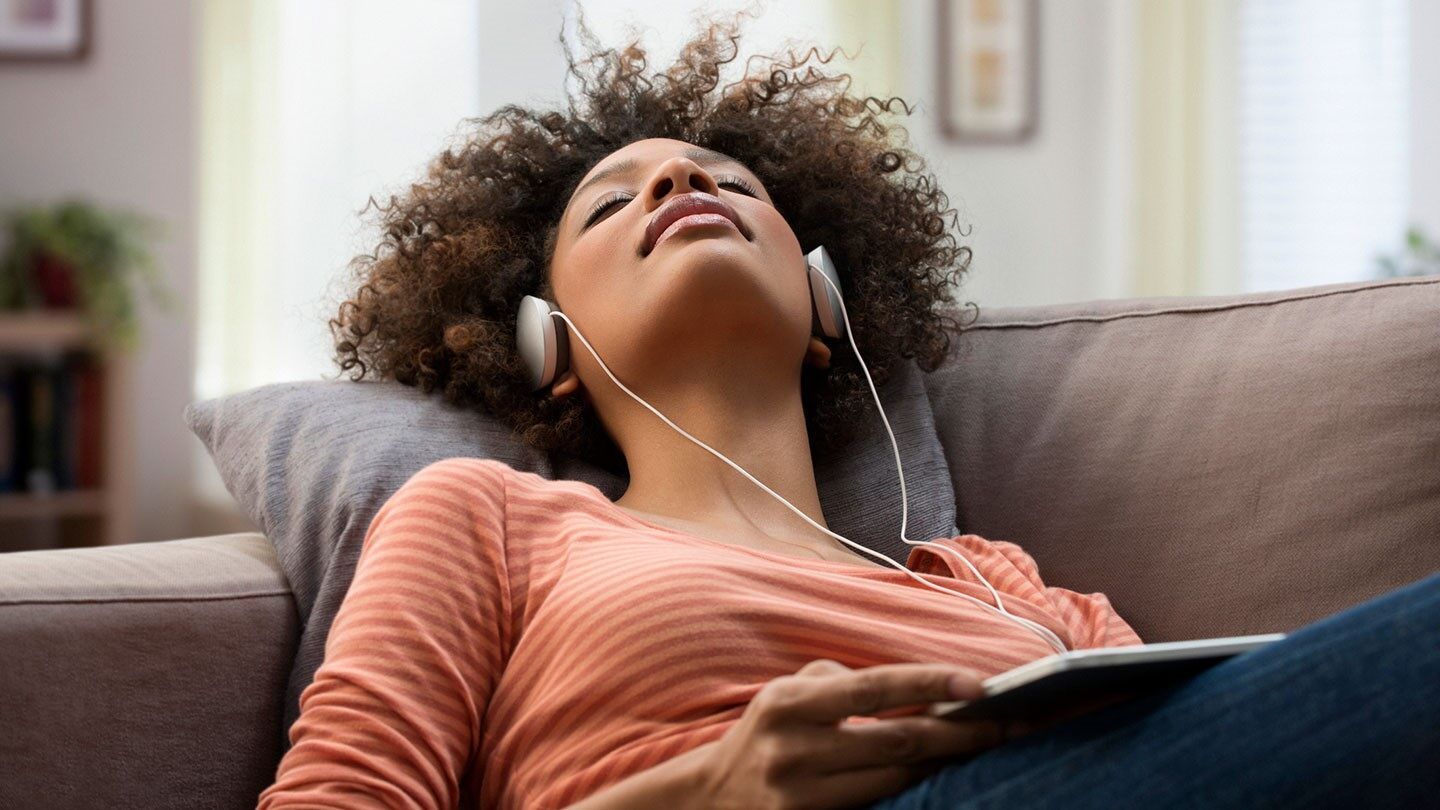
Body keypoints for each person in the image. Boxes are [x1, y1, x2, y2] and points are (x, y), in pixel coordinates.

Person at [256, 8, 1439, 810]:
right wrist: (705, 792)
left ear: (824, 302)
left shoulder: (997, 582)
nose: (680, 182)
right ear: (547, 343)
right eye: (612, 204)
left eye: (730, 182)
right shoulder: (489, 520)